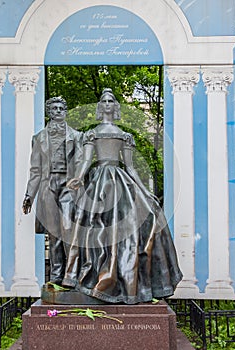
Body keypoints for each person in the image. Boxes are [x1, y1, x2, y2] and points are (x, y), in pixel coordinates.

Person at [63, 88, 182, 304]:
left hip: (120, 181)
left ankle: (128, 282)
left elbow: (131, 167)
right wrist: (78, 178)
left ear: (115, 106)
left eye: (111, 100)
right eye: (104, 100)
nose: (107, 103)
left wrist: (146, 192)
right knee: (94, 227)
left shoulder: (124, 135)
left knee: (147, 219)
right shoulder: (92, 134)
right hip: (99, 182)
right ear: (100, 107)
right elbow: (86, 161)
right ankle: (89, 278)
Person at [22, 96, 83, 286]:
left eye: (61, 108)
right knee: (54, 231)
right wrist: (29, 195)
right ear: (49, 112)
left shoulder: (77, 136)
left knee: (69, 228)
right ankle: (57, 274)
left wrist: (79, 182)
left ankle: (73, 272)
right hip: (48, 185)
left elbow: (81, 162)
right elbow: (35, 169)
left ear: (65, 111)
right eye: (54, 108)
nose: (58, 111)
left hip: (68, 185)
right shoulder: (39, 138)